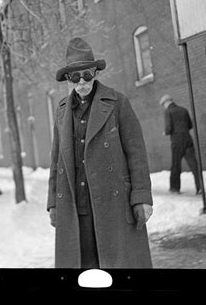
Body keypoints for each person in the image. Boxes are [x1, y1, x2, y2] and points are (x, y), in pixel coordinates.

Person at [46, 37, 153, 268]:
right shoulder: (61, 111)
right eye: (75, 77)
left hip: (113, 205)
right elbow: (56, 162)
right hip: (77, 208)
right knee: (85, 269)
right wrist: (53, 203)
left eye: (87, 74)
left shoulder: (117, 103)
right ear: (68, 79)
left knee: (117, 266)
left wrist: (142, 197)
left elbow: (136, 153)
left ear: (95, 73)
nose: (82, 81)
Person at [159, 95, 201, 195]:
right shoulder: (183, 110)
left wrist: (165, 132)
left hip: (177, 141)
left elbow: (169, 128)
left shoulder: (168, 111)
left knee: (176, 165)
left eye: (163, 105)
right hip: (187, 138)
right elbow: (190, 125)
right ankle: (200, 188)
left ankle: (174, 188)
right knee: (194, 165)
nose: (164, 107)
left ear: (166, 103)